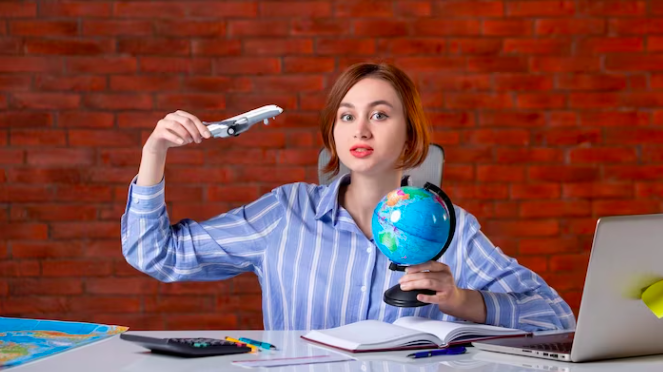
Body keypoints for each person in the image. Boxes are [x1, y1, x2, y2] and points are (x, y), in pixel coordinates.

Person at [121, 63, 575, 332]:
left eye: (380, 114)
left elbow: (557, 319)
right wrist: (154, 151)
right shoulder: (286, 213)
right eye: (346, 116)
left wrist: (459, 300)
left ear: (410, 134)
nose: (360, 129)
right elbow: (155, 254)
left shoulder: (450, 228)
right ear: (333, 134)